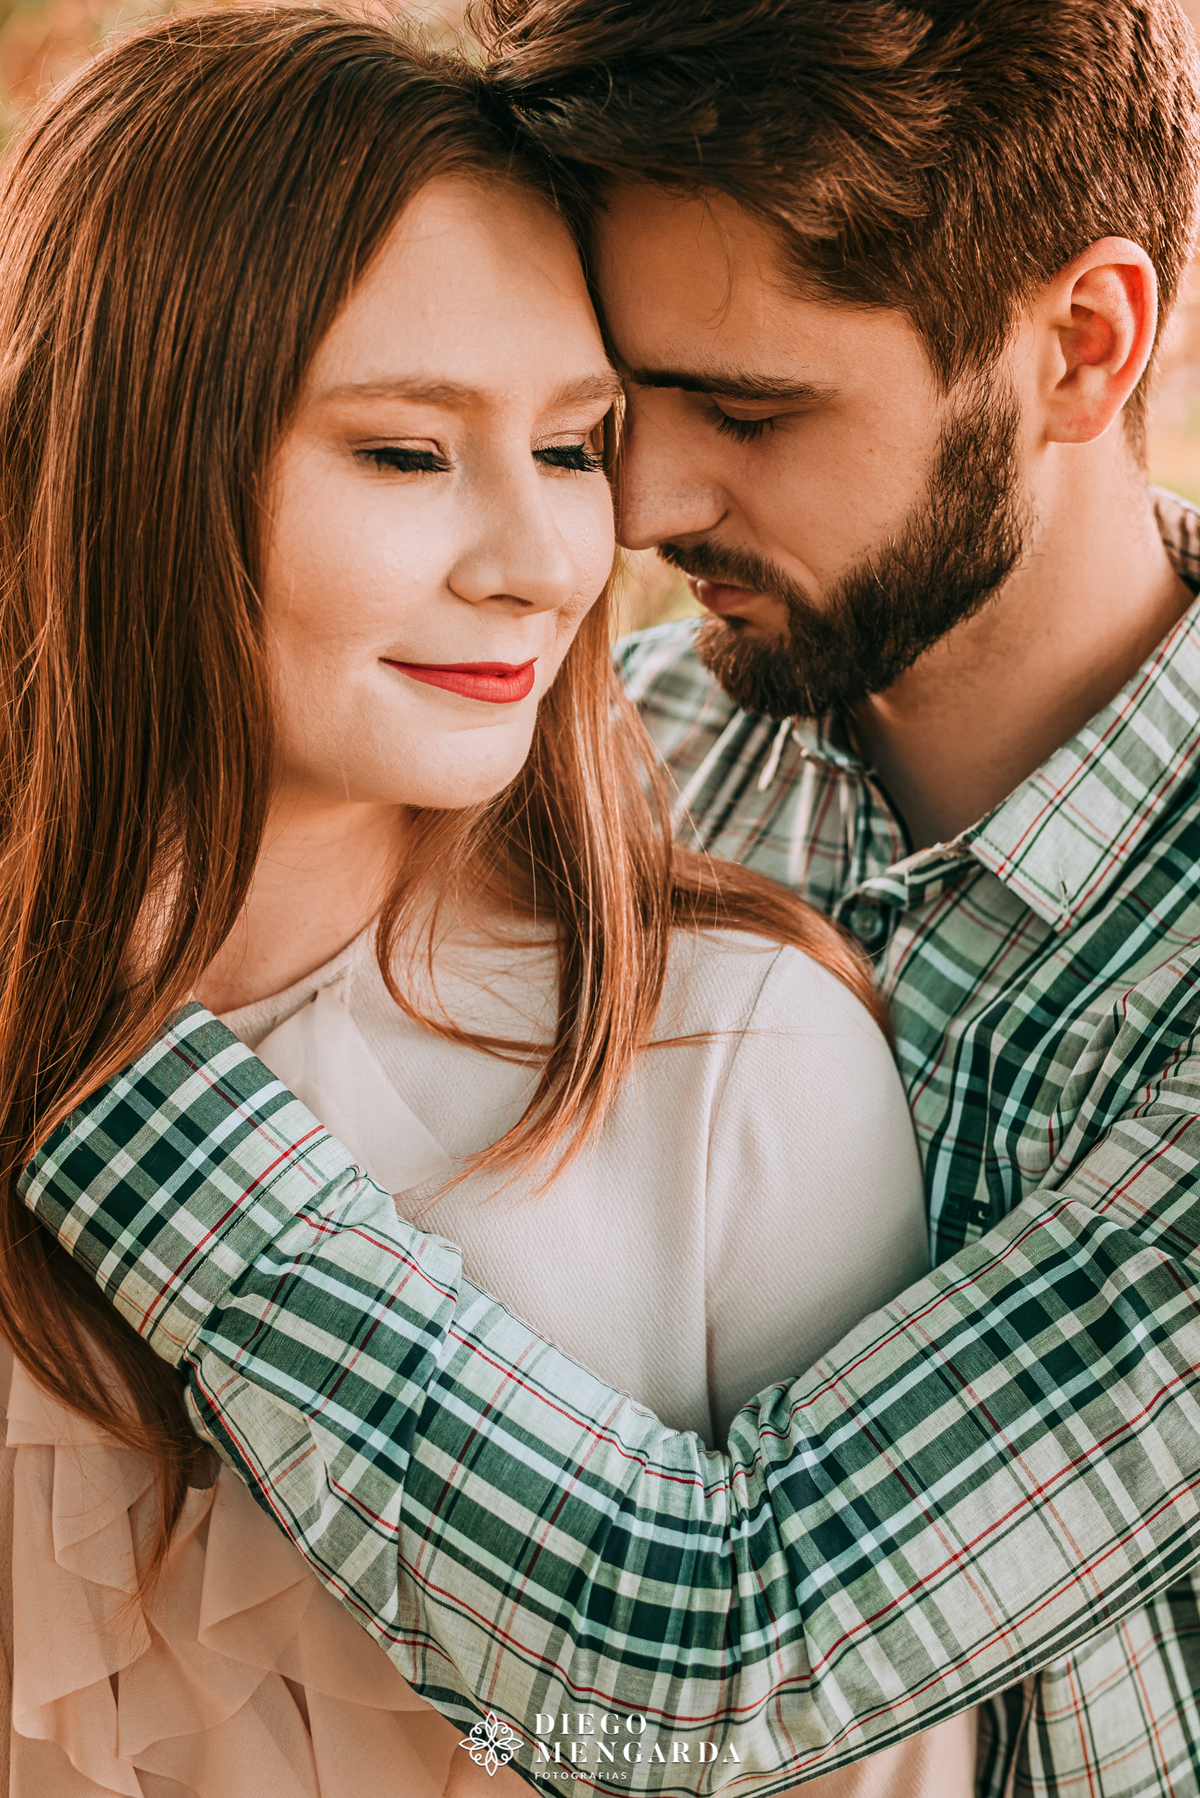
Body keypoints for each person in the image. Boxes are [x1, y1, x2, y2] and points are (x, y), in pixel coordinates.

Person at [22, 0, 1200, 1795]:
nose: (625, 514)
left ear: (1084, 346)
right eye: (620, 413)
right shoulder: (604, 757)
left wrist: (105, 1077)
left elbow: (718, 1667)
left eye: (747, 407)